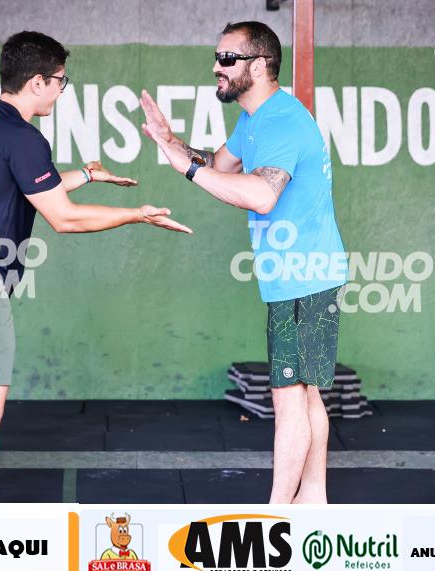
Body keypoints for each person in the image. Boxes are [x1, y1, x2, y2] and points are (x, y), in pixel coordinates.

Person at [0, 31, 191, 503]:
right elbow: (64, 218)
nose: (62, 90)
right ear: (38, 82)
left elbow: (27, 185)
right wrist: (136, 215)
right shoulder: (26, 138)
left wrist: (87, 174)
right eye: (61, 81)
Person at [140, 21, 346, 504]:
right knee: (306, 392)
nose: (217, 66)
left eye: (227, 59)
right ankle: (313, 499)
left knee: (289, 397)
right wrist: (173, 143)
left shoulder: (281, 121)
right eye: (217, 57)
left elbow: (261, 195)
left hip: (304, 277)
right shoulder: (255, 119)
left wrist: (186, 170)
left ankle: (278, 513)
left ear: (259, 65)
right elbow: (218, 164)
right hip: (302, 275)